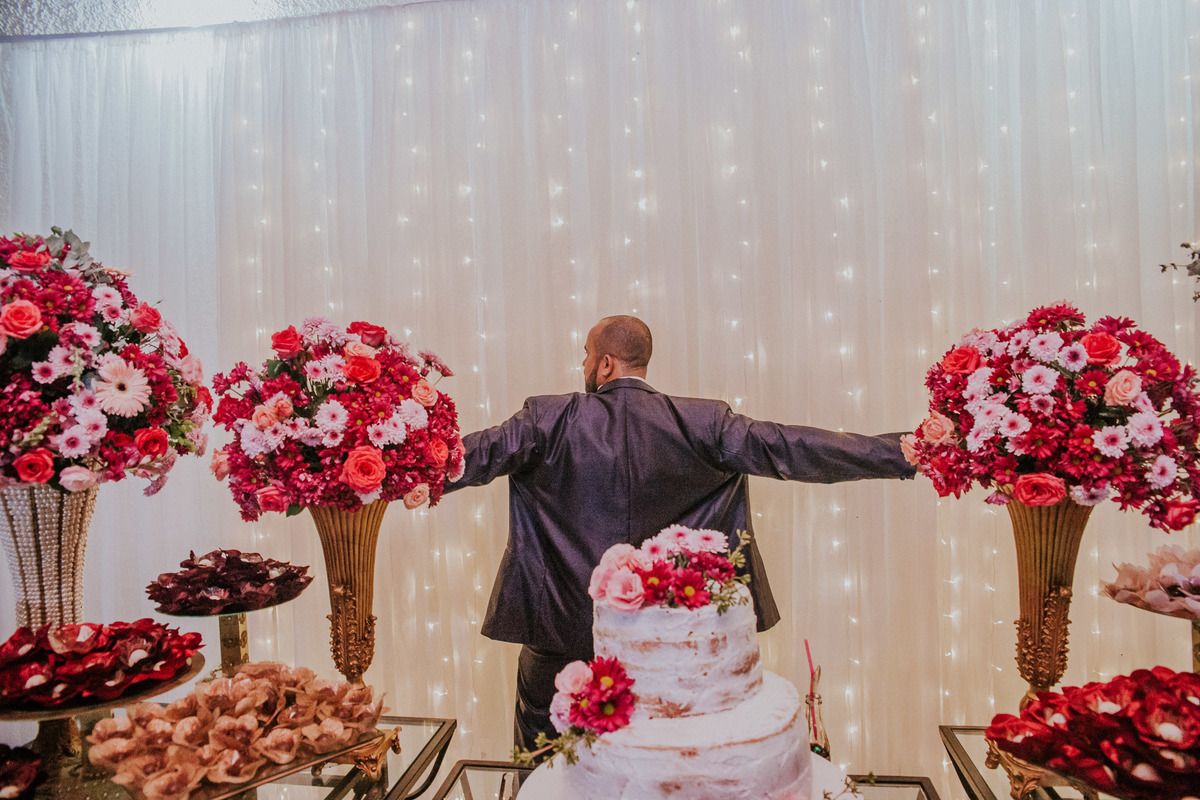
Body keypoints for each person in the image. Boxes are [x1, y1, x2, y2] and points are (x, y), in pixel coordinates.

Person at [442, 315, 915, 749]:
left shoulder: (546, 418)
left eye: (586, 354)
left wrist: (403, 465)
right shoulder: (705, 422)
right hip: (671, 645)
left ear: (605, 363)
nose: (583, 365)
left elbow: (466, 457)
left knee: (544, 764)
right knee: (666, 767)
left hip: (560, 636)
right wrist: (904, 452)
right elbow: (794, 447)